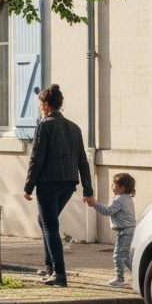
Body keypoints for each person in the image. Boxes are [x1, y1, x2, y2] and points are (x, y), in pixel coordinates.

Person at [22, 84, 94, 287]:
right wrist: (88, 190)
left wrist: (28, 186)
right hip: (68, 184)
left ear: (45, 104)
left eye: (39, 105)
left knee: (50, 224)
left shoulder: (45, 125)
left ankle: (59, 272)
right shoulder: (74, 128)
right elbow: (83, 161)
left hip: (48, 183)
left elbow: (37, 158)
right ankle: (50, 269)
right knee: (44, 220)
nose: (39, 108)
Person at [92, 172, 137, 287]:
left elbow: (107, 211)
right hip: (130, 230)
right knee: (126, 257)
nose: (112, 187)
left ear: (122, 188)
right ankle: (139, 275)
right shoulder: (127, 198)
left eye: (114, 185)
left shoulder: (120, 200)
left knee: (118, 255)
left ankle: (120, 278)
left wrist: (94, 204)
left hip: (125, 231)